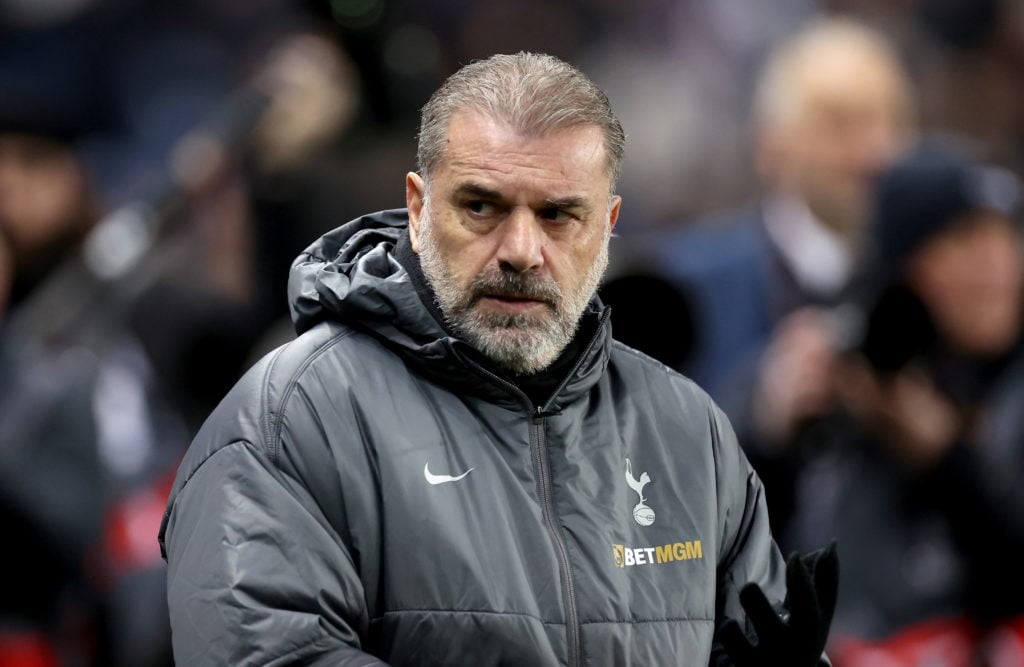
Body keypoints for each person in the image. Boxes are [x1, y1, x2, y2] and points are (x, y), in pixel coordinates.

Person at [159, 52, 837, 666]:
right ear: (418, 210)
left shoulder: (691, 432)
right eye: (482, 206)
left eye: (558, 215)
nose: (520, 248)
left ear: (607, 224)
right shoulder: (291, 417)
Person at [617, 17, 916, 528]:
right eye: (839, 124)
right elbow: (635, 479)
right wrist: (757, 413)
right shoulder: (683, 286)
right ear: (771, 146)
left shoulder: (935, 286)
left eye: (889, 121)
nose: (873, 151)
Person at [786, 142, 1024, 663]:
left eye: (1005, 236)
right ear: (904, 271)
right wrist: (767, 426)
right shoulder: (846, 365)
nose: (995, 263)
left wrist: (945, 461)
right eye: (964, 239)